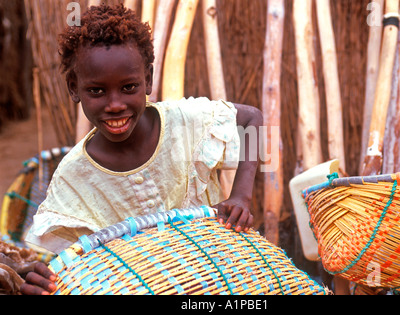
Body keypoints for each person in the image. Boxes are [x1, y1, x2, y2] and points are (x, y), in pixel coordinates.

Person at [21, 4, 262, 295]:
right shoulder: (73, 179)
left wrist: (241, 196)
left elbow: (253, 119)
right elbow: (68, 262)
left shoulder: (185, 123)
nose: (115, 104)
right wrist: (44, 282)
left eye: (128, 87)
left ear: (147, 79)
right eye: (97, 91)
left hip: (221, 279)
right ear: (74, 88)